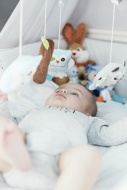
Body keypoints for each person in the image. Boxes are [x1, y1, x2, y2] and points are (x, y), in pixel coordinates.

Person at [0, 83, 102, 190]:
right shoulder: (34, 111)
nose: (62, 91)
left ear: (87, 113)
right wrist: (3, 102)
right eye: (58, 90)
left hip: (58, 167)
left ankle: (71, 184)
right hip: (15, 159)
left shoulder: (87, 120)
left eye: (75, 94)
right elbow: (12, 123)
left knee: (87, 154)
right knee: (5, 125)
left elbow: (113, 134)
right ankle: (15, 155)